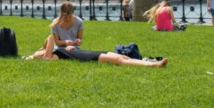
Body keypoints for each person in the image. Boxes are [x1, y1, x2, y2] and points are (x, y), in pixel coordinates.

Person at [23, 34, 167, 67]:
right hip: (87, 58)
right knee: (119, 60)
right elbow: (46, 57)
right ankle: (153, 65)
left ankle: (149, 62)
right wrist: (50, 39)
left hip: (88, 52)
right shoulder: (50, 57)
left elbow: (45, 49)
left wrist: (67, 47)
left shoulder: (53, 52)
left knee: (124, 57)